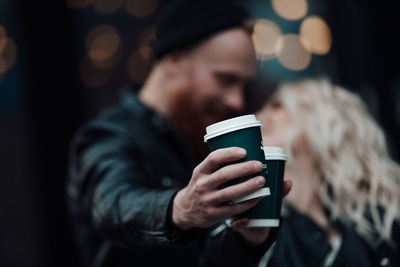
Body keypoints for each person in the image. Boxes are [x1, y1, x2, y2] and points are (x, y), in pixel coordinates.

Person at [66, 1, 291, 266]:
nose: (237, 101)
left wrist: (250, 238)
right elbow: (111, 206)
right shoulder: (108, 137)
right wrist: (181, 207)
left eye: (242, 84)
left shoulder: (196, 133)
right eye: (225, 79)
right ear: (173, 61)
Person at [253, 79, 400, 266]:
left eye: (277, 105)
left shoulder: (380, 226)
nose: (259, 116)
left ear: (323, 117)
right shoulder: (255, 229)